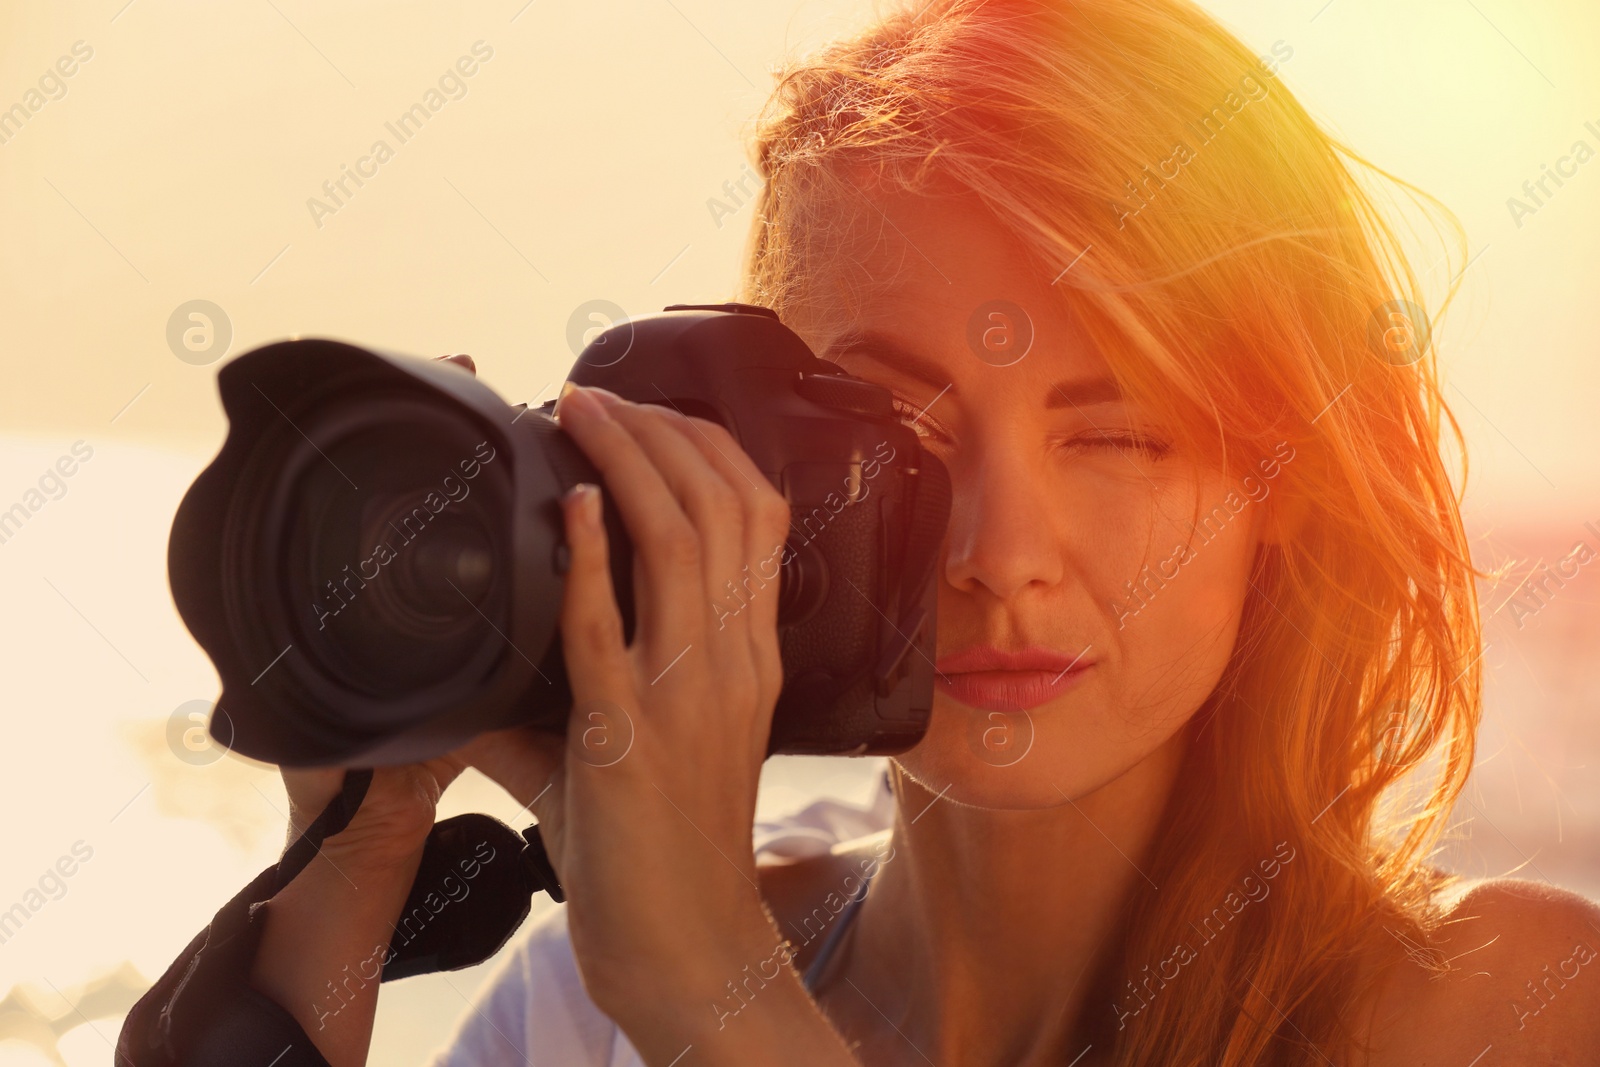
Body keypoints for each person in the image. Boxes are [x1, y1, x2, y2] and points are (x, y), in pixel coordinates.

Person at [238, 0, 1600, 1064]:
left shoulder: (1504, 1013)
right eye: (897, 434)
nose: (1000, 556)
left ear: (1285, 485)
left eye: (1119, 435)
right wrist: (343, 871)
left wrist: (712, 996)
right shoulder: (587, 1004)